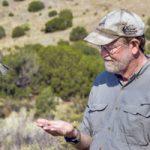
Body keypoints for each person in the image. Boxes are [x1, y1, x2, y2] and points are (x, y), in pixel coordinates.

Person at [36, 9, 150, 150]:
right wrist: (72, 133)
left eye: (110, 47)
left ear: (133, 45)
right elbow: (90, 142)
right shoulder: (101, 81)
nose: (103, 54)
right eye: (101, 47)